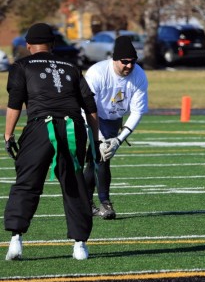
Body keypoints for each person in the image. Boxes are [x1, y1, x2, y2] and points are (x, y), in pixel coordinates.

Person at [4, 22, 100, 261]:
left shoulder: (22, 66)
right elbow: (90, 108)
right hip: (72, 127)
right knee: (75, 184)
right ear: (53, 45)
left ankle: (16, 239)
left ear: (28, 45)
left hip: (39, 127)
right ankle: (80, 245)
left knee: (27, 182)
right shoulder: (72, 66)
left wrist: (8, 135)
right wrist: (95, 141)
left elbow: (15, 103)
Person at [82, 36, 148, 219]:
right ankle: (103, 203)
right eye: (125, 62)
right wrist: (100, 137)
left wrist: (118, 140)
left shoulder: (139, 75)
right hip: (89, 115)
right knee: (96, 157)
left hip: (113, 119)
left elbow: (137, 111)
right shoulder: (97, 72)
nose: (129, 66)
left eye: (133, 62)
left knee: (100, 158)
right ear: (114, 59)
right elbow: (87, 107)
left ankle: (88, 203)